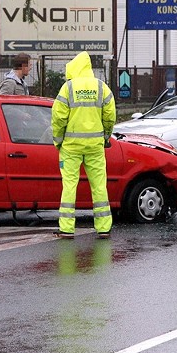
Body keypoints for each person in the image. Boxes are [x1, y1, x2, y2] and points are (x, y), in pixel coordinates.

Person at [51, 51, 116, 239]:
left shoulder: (68, 88)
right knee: (99, 185)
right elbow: (110, 115)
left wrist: (58, 140)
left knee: (70, 185)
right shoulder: (101, 87)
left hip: (71, 147)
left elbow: (58, 117)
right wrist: (106, 136)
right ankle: (103, 227)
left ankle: (67, 228)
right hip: (95, 146)